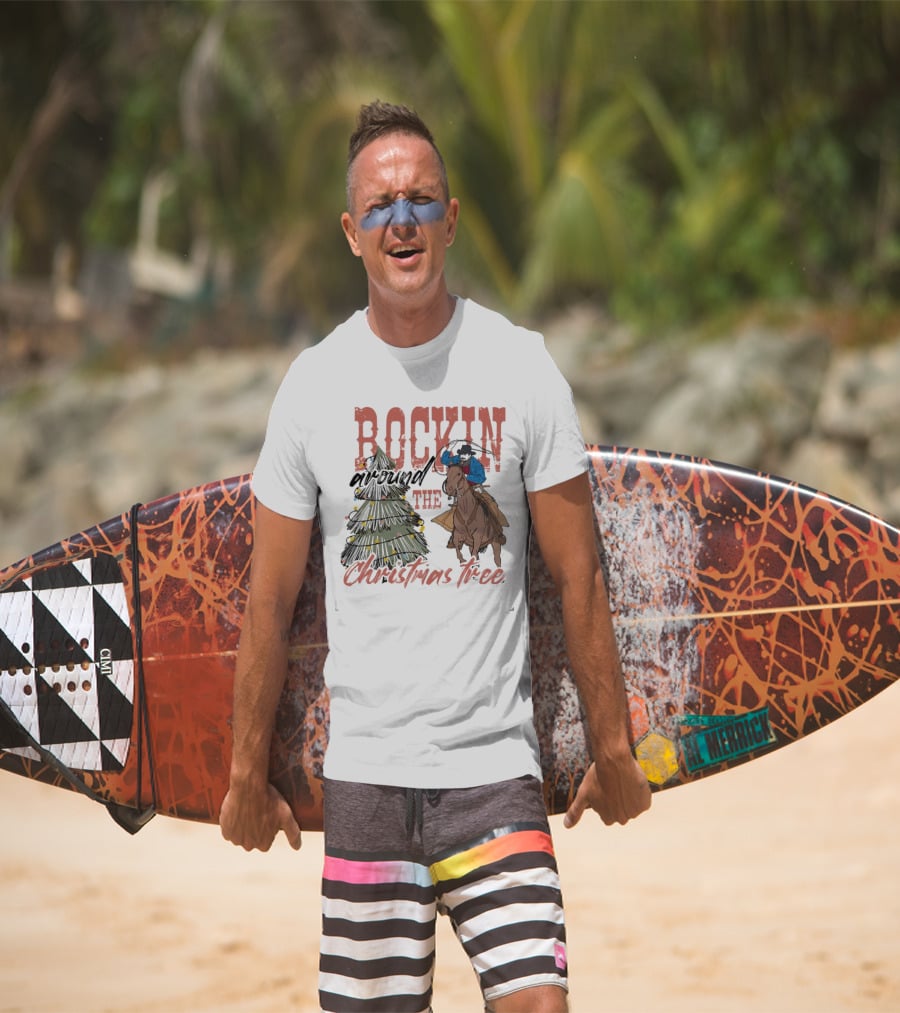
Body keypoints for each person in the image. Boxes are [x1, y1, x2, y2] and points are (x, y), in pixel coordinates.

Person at [220, 100, 651, 1013]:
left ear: (450, 219)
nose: (402, 220)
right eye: (380, 206)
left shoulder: (522, 368)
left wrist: (612, 745)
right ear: (352, 233)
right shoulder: (314, 386)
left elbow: (578, 575)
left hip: (495, 775)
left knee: (540, 1004)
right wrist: (244, 772)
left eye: (420, 200)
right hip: (367, 780)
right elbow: (269, 599)